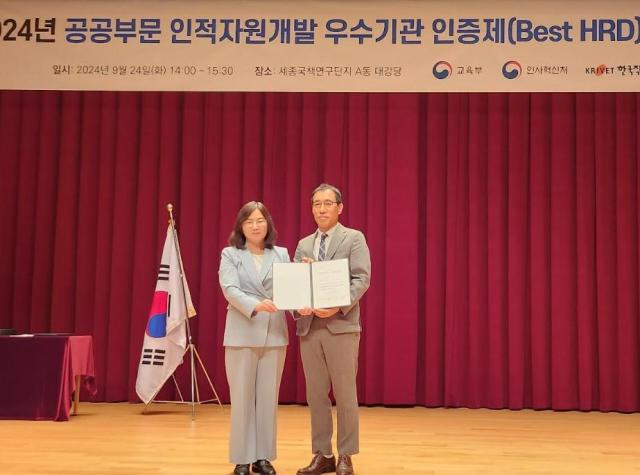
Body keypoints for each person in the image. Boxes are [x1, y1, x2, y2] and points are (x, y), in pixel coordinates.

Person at [294, 184, 371, 475]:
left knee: (345, 393)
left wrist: (338, 306)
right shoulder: (304, 244)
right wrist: (297, 305)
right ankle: (323, 454)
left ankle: (346, 455)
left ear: (340, 207)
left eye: (327, 203)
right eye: (316, 204)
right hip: (310, 327)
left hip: (341, 326)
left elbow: (361, 279)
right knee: (315, 395)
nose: (321, 209)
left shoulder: (354, 238)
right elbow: (297, 283)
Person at [219, 201, 290, 475]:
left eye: (260, 220)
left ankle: (263, 458)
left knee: (268, 400)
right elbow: (229, 288)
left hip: (274, 335)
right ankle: (241, 458)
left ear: (268, 224)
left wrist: (306, 277)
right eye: (249, 221)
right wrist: (256, 305)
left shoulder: (282, 254)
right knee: (242, 399)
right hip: (241, 333)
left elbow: (291, 288)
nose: (256, 225)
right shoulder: (230, 254)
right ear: (241, 226)